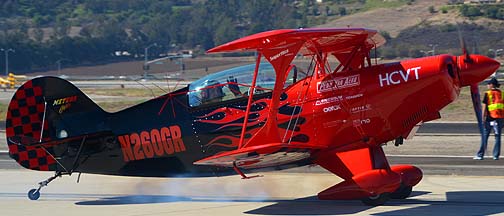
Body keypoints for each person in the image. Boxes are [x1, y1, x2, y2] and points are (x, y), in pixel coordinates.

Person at [474, 77, 503, 160]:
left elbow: (484, 106)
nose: (487, 85)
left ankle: (480, 155)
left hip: (490, 118)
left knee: (485, 136)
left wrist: (482, 117)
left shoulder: (488, 94)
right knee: (497, 137)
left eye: (489, 84)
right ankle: (496, 155)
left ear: (492, 85)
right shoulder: (502, 94)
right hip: (500, 118)